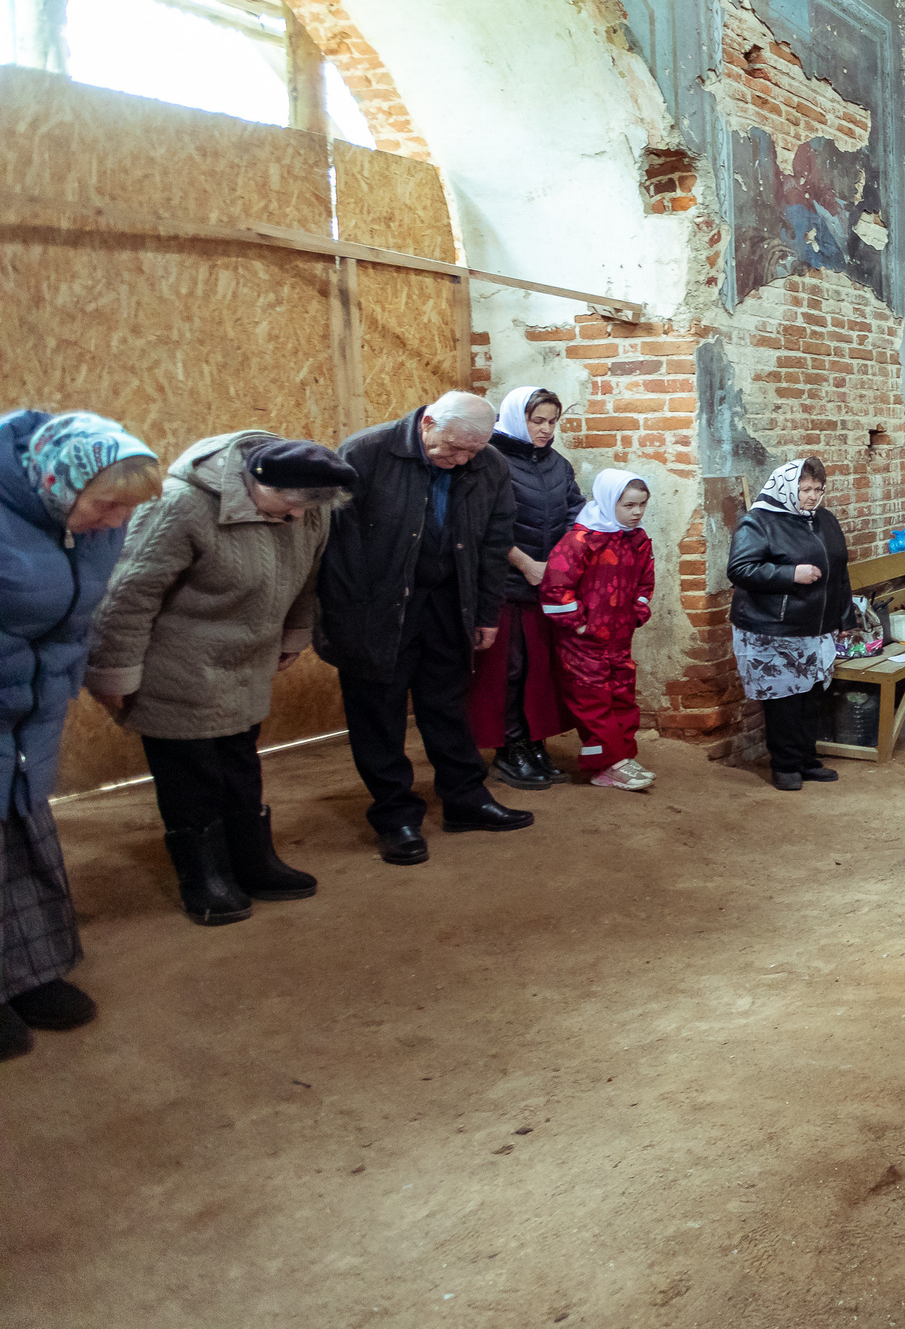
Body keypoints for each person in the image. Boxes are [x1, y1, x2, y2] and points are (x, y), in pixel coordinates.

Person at [84, 433, 355, 925]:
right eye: (290, 503)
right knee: (192, 776)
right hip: (175, 664)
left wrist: (293, 636)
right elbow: (128, 593)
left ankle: (252, 861)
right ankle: (203, 876)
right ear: (256, 480)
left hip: (245, 663)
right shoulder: (180, 505)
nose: (298, 516)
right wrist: (113, 670)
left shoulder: (306, 508)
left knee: (239, 764)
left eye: (309, 507)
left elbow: (308, 580)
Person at [0, 409, 160, 1059]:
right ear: (57, 483)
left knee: (22, 837)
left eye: (127, 509)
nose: (117, 522)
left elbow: (77, 615)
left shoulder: (94, 526)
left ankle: (29, 972)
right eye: (106, 506)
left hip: (30, 708)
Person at [316, 391, 534, 864]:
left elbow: (495, 542)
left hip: (449, 603)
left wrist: (485, 613)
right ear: (428, 423)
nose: (462, 461)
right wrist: (344, 621)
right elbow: (335, 547)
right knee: (378, 714)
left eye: (472, 452)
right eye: (453, 449)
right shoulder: (366, 452)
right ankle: (396, 815)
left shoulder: (489, 464)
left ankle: (465, 798)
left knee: (448, 705)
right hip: (376, 610)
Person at [469, 386, 577, 792]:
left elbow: (574, 512)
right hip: (503, 585)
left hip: (544, 585)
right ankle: (509, 748)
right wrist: (526, 564)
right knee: (507, 672)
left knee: (538, 671)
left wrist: (560, 562)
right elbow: (482, 524)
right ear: (518, 418)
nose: (546, 429)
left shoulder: (557, 464)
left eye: (552, 421)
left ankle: (533, 744)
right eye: (538, 421)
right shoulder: (488, 460)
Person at [727, 457, 853, 791]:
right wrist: (790, 574)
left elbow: (839, 573)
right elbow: (740, 569)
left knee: (812, 696)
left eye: (817, 489)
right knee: (784, 700)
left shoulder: (825, 520)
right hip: (772, 629)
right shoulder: (759, 521)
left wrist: (843, 617)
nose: (812, 496)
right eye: (804, 489)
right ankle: (784, 766)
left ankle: (807, 760)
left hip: (816, 626)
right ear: (785, 488)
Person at [541, 469, 656, 792]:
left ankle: (622, 757)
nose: (636, 512)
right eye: (628, 505)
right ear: (608, 501)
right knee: (594, 702)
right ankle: (604, 765)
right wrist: (580, 624)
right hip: (583, 644)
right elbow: (555, 589)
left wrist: (637, 612)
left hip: (619, 639)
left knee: (622, 697)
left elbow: (645, 582)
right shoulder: (580, 542)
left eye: (642, 505)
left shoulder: (637, 540)